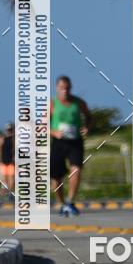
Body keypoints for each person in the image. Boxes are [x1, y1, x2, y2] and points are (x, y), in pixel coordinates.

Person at [50, 76, 91, 216]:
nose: (65, 91)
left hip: (75, 141)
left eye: (67, 88)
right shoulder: (51, 103)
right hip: (58, 142)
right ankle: (61, 203)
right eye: (62, 88)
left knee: (76, 169)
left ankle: (70, 201)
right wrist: (54, 132)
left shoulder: (78, 102)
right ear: (57, 88)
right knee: (56, 178)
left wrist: (86, 127)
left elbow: (89, 116)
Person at [0, 123, 15, 199]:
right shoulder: (2, 137)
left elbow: (15, 148)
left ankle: (10, 192)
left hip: (11, 160)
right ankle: (7, 192)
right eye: (8, 129)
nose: (9, 131)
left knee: (11, 177)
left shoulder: (14, 138)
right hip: (3, 160)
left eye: (10, 129)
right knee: (5, 178)